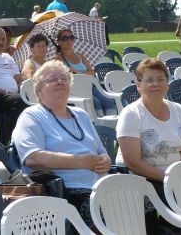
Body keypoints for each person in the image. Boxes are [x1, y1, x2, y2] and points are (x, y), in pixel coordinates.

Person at [116, 58, 181, 234]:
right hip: (144, 177)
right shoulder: (131, 114)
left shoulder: (178, 110)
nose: (155, 84)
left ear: (167, 83)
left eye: (160, 79)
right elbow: (132, 161)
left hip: (175, 176)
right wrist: (168, 178)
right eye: (149, 80)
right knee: (175, 201)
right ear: (139, 86)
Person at [12, 60, 111, 229]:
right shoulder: (32, 116)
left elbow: (101, 150)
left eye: (64, 78)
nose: (59, 81)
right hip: (63, 190)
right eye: (52, 79)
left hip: (99, 183)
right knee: (108, 210)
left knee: (139, 202)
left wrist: (106, 160)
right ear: (39, 91)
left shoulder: (81, 115)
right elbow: (32, 157)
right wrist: (80, 162)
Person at [54, 29, 116, 116]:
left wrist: (77, 72)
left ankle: (111, 126)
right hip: (74, 90)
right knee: (96, 102)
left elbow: (91, 72)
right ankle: (98, 126)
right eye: (64, 38)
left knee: (108, 102)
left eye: (71, 38)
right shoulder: (58, 59)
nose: (69, 40)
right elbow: (59, 78)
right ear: (59, 42)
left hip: (90, 86)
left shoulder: (80, 56)